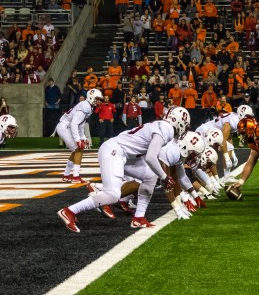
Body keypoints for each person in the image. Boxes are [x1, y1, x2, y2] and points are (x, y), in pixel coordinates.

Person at [57, 107, 191, 233]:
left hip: (125, 153)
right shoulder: (167, 129)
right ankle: (69, 211)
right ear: (180, 122)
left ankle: (139, 218)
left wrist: (160, 175)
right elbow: (151, 157)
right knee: (112, 195)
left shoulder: (161, 125)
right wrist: (165, 177)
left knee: (151, 176)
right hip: (115, 151)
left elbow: (146, 152)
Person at [55, 89, 103, 183]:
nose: (99, 101)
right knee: (78, 149)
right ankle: (75, 177)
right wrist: (78, 139)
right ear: (91, 97)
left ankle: (67, 175)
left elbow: (80, 125)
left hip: (66, 126)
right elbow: (74, 124)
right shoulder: (85, 106)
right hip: (65, 126)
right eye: (97, 99)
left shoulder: (88, 106)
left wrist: (83, 138)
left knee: (76, 151)